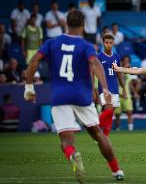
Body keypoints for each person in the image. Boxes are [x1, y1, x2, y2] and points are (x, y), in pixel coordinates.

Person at [23, 10, 124, 183]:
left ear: (66, 24)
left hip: (59, 96)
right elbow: (95, 63)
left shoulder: (51, 43)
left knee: (66, 140)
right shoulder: (86, 45)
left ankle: (73, 154)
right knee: (98, 134)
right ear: (83, 25)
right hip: (81, 96)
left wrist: (29, 87)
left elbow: (34, 61)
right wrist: (105, 88)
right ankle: (116, 171)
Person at [97, 33, 127, 136]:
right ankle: (95, 127)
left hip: (115, 89)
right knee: (108, 112)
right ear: (103, 43)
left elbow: (119, 73)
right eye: (106, 42)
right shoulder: (99, 56)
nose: (108, 45)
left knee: (110, 115)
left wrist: (124, 88)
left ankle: (103, 136)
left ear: (113, 43)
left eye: (110, 42)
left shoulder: (116, 57)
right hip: (105, 89)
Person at [114, 56, 135, 131]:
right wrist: (124, 68)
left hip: (127, 95)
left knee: (129, 112)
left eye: (128, 61)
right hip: (118, 94)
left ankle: (130, 129)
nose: (127, 62)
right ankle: (117, 129)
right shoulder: (118, 70)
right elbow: (121, 79)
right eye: (125, 61)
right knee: (117, 114)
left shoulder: (129, 71)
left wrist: (135, 92)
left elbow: (129, 84)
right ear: (122, 62)